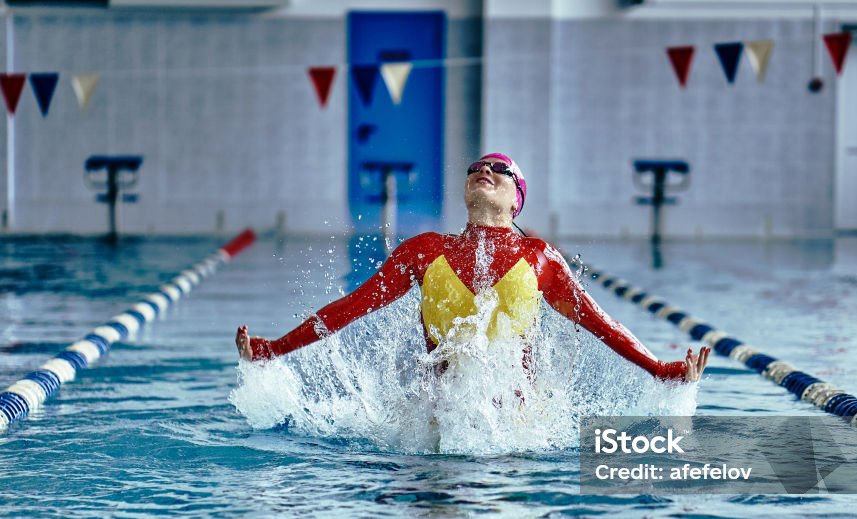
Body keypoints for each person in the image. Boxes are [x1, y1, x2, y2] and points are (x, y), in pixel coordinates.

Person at [236, 153, 709, 383]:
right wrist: (275, 349)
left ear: (516, 197)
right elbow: (350, 308)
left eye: (499, 169)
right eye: (476, 167)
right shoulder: (423, 251)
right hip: (437, 430)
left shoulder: (540, 258)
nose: (485, 170)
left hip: (512, 437)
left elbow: (601, 323)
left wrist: (660, 369)